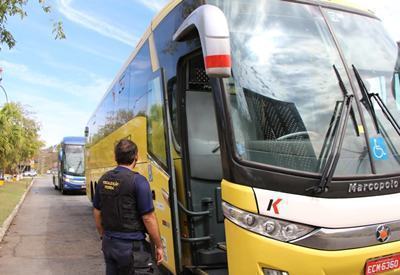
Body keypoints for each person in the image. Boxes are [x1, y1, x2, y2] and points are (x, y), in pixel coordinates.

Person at [93, 139, 163, 275]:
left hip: (109, 243)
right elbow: (148, 218)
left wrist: (103, 235)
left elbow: (97, 211)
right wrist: (159, 245)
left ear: (115, 157)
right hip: (131, 247)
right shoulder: (138, 181)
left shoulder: (103, 179)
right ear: (135, 156)